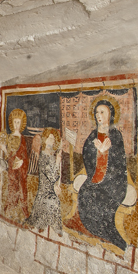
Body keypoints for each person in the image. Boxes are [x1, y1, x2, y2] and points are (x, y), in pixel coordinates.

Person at [73, 97, 129, 250]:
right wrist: (97, 151)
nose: (99, 115)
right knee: (85, 194)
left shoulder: (115, 136)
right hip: (95, 178)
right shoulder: (92, 136)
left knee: (103, 202)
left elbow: (120, 163)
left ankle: (113, 237)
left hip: (113, 182)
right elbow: (86, 156)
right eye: (97, 112)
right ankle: (97, 232)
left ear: (110, 115)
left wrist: (106, 152)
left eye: (102, 112)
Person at [25, 128, 63, 232]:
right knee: (52, 201)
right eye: (49, 138)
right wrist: (57, 163)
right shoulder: (43, 156)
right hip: (44, 190)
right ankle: (42, 225)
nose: (51, 141)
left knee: (56, 201)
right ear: (45, 139)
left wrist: (57, 186)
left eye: (53, 139)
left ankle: (54, 227)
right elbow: (51, 176)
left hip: (51, 188)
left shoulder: (52, 156)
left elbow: (56, 176)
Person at [0, 108, 30, 222]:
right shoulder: (9, 137)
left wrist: (22, 162)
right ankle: (11, 211)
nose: (16, 125)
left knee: (22, 189)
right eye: (15, 122)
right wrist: (4, 149)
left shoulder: (23, 139)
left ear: (21, 124)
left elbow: (25, 156)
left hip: (20, 169)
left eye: (18, 122)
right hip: (12, 169)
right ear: (12, 123)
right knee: (12, 189)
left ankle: (23, 213)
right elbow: (8, 156)